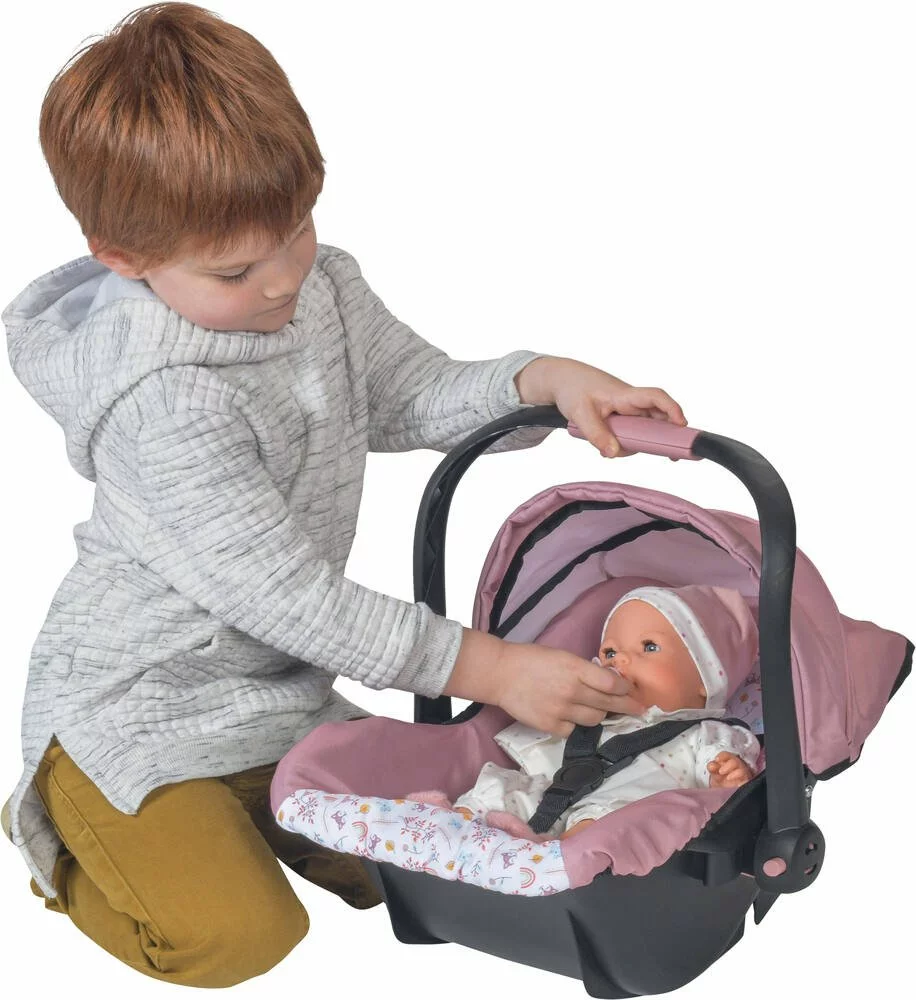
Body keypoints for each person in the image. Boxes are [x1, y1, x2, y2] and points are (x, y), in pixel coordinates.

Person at [0, 3, 687, 988]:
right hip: (138, 712)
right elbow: (291, 598)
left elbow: (411, 391)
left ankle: (245, 810)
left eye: (296, 232)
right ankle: (70, 834)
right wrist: (489, 666)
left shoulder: (320, 288)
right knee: (241, 936)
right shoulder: (161, 404)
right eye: (236, 268)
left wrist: (541, 381)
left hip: (275, 695)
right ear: (124, 258)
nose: (282, 279)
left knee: (439, 864)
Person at [408, 585, 761, 841]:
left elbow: (719, 764)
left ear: (704, 679)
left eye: (649, 647)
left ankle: (558, 859)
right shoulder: (591, 710)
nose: (620, 660)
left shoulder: (705, 731)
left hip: (626, 806)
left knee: (609, 820)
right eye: (610, 652)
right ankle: (452, 831)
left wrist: (726, 773)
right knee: (502, 786)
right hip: (553, 791)